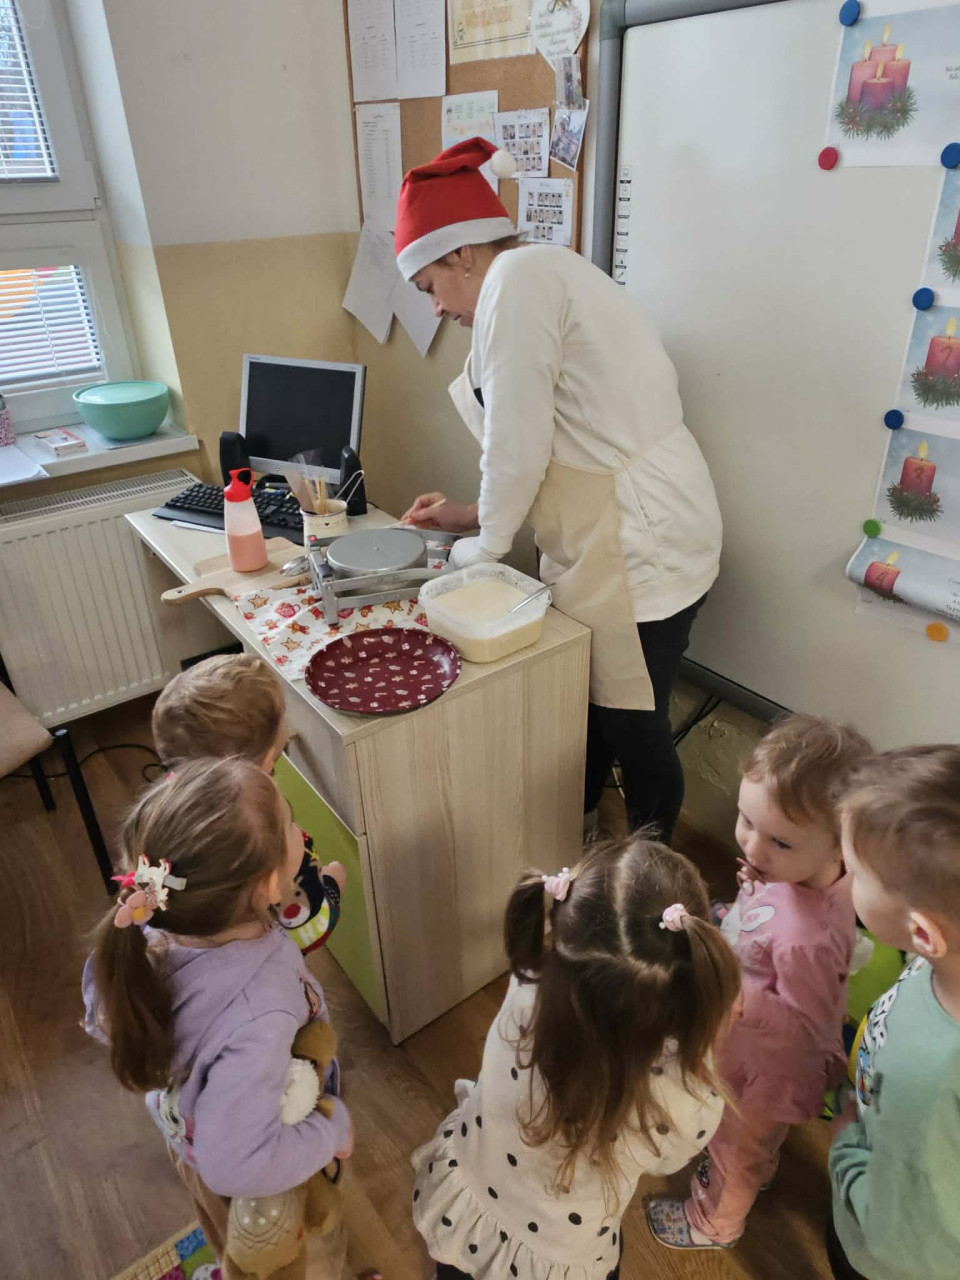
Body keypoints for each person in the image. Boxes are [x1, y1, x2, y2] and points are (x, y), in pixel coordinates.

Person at [395, 136, 722, 842]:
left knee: (633, 725)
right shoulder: (529, 279)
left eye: (428, 287)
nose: (434, 307)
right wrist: (466, 514)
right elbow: (545, 441)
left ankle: (648, 882)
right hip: (606, 534)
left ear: (461, 253)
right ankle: (579, 841)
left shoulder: (519, 281)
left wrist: (483, 548)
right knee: (590, 707)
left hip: (641, 541)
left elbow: (517, 443)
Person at [410, 836, 741, 1278]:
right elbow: (669, 1160)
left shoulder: (528, 984)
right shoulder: (685, 1096)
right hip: (559, 1254)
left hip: (470, 1206)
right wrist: (708, 1044)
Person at [82, 758, 358, 1279]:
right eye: (289, 822)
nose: (299, 832)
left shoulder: (149, 930)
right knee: (292, 1262)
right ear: (267, 886)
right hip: (264, 1180)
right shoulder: (259, 1013)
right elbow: (240, 1162)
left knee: (219, 1228)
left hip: (191, 1137)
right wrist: (330, 1130)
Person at [647, 714, 872, 1251]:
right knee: (753, 1143)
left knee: (732, 1148)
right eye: (746, 820)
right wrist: (757, 887)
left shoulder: (810, 939)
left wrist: (736, 995)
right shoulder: (802, 873)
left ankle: (714, 1224)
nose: (752, 847)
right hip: (748, 1043)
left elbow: (805, 1024)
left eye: (780, 842)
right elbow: (772, 905)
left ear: (842, 848)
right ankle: (759, 1163)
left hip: (766, 1068)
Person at [828, 746, 960, 1280]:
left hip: (877, 1254)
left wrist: (844, 1148)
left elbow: (900, 1232)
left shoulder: (930, 1081)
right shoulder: (941, 961)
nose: (845, 880)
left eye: (857, 874)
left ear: (924, 933)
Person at [152, 654, 345, 956]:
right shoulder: (257, 828)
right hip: (281, 943)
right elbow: (304, 922)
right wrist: (332, 886)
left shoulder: (168, 814)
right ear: (267, 760)